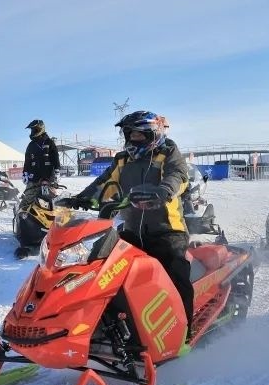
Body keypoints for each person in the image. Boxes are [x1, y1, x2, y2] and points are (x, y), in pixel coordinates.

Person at [70, 111, 194, 341]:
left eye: (139, 135)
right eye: (130, 134)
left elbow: (179, 176)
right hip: (132, 230)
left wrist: (164, 190)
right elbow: (105, 183)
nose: (133, 139)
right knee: (108, 274)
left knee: (176, 276)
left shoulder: (168, 152)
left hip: (167, 230)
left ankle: (184, 332)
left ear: (153, 134)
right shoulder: (122, 159)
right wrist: (81, 198)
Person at [19, 119, 60, 211]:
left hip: (47, 177)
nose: (33, 132)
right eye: (32, 130)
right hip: (33, 177)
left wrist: (57, 171)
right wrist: (25, 173)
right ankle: (22, 215)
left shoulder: (49, 142)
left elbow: (55, 158)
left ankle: (50, 217)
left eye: (35, 130)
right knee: (28, 198)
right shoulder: (31, 145)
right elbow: (27, 161)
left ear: (41, 129)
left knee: (47, 199)